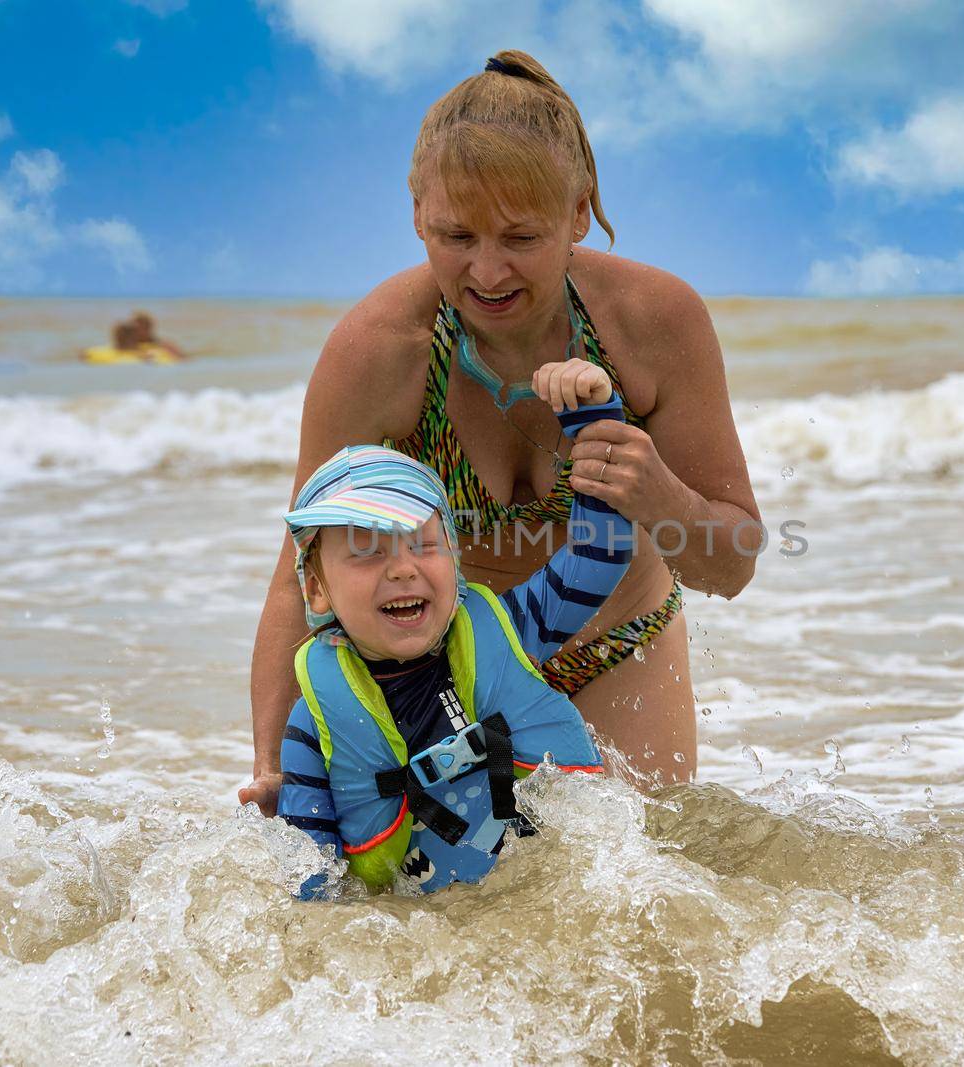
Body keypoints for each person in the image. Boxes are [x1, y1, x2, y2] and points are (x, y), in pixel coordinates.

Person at [242, 49, 759, 816]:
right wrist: (273, 765)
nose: (486, 272)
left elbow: (733, 562)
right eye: (455, 237)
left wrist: (658, 495)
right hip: (437, 667)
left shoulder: (653, 323)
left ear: (578, 213)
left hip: (620, 650)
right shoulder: (379, 353)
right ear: (416, 212)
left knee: (639, 893)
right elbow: (300, 575)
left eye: (520, 238)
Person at [279, 358, 629, 895]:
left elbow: (601, 552)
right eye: (368, 552)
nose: (401, 567)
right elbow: (307, 876)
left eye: (423, 544)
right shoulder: (314, 725)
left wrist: (595, 421)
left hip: (553, 897)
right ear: (318, 589)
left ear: (455, 563)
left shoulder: (512, 626)